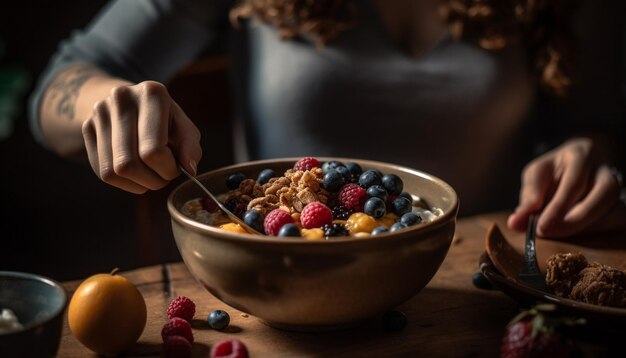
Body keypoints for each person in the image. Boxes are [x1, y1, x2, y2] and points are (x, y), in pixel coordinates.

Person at [29, 0, 626, 237]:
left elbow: (594, 122)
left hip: (484, 287)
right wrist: (105, 103)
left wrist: (588, 154)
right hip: (287, 295)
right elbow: (61, 85)